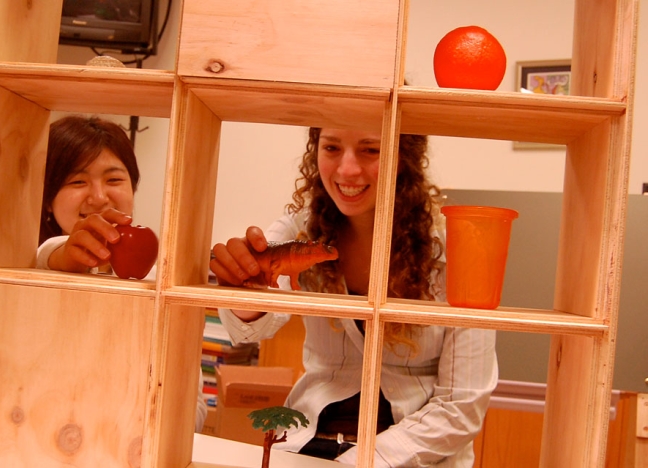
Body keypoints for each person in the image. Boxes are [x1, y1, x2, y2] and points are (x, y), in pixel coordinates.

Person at [209, 127, 498, 466]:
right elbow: (250, 329)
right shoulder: (300, 229)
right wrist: (246, 295)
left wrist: (362, 459)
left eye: (371, 150)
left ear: (405, 156)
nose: (347, 170)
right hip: (308, 445)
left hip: (410, 457)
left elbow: (461, 407)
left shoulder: (458, 252)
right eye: (331, 147)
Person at [37, 115, 208, 432]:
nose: (99, 197)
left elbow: (193, 408)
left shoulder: (161, 282)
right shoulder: (25, 270)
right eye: (77, 181)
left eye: (114, 180)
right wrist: (62, 256)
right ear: (46, 199)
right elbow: (47, 257)